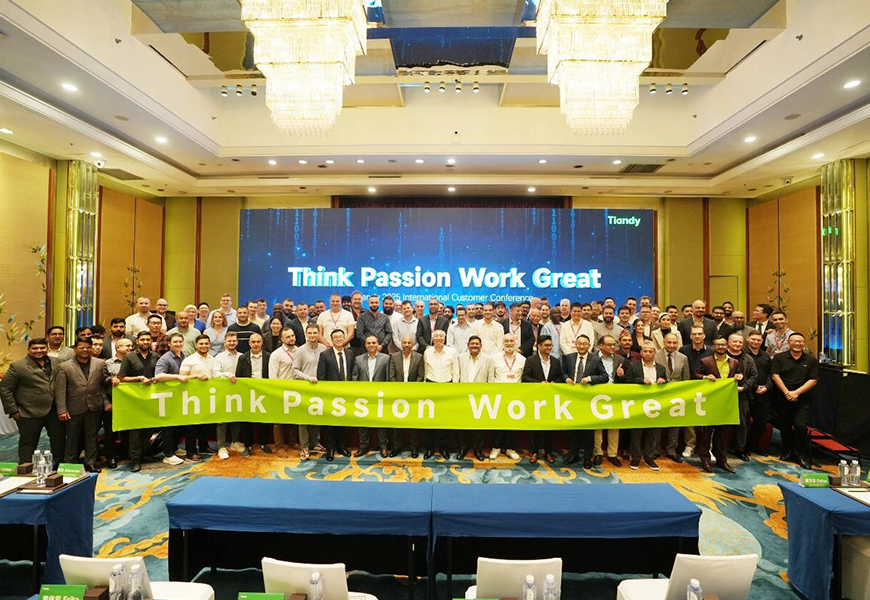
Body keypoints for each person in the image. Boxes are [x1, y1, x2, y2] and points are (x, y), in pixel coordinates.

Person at [0, 338, 65, 467]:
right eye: (35, 348)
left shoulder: (56, 362)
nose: (38, 350)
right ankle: (26, 468)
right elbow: (5, 388)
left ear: (47, 348)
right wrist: (13, 410)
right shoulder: (18, 366)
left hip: (54, 410)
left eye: (42, 348)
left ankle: (59, 467)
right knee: (28, 443)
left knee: (59, 440)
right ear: (28, 350)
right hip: (28, 411)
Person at [55, 337, 109, 472]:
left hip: (94, 406)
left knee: (92, 437)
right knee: (72, 438)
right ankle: (70, 464)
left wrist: (112, 380)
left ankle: (91, 462)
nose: (85, 350)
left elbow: (103, 383)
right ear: (75, 349)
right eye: (81, 347)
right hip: (73, 407)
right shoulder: (64, 366)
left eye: (88, 347)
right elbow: (60, 390)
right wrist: (62, 410)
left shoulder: (100, 363)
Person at [694, 337, 742, 473]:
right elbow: (696, 375)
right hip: (710, 401)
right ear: (713, 347)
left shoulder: (734, 362)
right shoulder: (706, 361)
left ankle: (722, 460)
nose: (721, 347)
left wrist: (739, 376)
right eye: (718, 345)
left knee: (723, 433)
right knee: (706, 432)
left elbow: (738, 373)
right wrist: (705, 377)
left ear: (727, 346)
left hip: (726, 401)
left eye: (723, 344)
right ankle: (705, 459)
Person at [771, 332, 818, 469]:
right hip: (783, 396)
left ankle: (801, 455)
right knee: (784, 425)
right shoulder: (779, 358)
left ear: (804, 344)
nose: (797, 343)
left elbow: (813, 380)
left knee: (800, 425)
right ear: (789, 343)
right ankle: (788, 450)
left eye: (800, 341)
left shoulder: (811, 360)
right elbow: (775, 376)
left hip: (803, 398)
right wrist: (787, 392)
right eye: (794, 341)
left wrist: (796, 393)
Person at [563, 334, 608, 468]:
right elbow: (563, 372)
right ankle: (573, 455)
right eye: (579, 343)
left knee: (588, 432)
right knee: (572, 430)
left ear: (589, 345)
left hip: (588, 400)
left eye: (584, 344)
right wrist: (566, 379)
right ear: (575, 345)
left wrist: (589, 379)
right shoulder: (569, 357)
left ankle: (588, 458)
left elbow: (604, 377)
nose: (582, 346)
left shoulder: (595, 359)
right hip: (572, 399)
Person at [118, 331, 161, 470]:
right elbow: (121, 378)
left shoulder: (155, 356)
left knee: (149, 428)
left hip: (150, 398)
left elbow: (158, 374)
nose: (145, 342)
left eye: (148, 339)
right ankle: (135, 459)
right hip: (134, 399)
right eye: (142, 339)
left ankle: (144, 453)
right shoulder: (129, 357)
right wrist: (139, 378)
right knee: (135, 431)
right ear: (137, 341)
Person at [269, 328, 314, 457]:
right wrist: (275, 391)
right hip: (281, 389)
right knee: (278, 420)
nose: (291, 338)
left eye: (292, 335)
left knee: (295, 417)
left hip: (296, 390)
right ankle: (279, 447)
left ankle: (293, 442)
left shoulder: (300, 351)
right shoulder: (276, 354)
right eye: (288, 337)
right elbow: (272, 375)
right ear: (282, 339)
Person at [623, 340, 667, 471]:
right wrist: (641, 381)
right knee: (636, 433)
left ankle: (649, 458)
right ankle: (636, 458)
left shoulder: (661, 368)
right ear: (641, 352)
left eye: (650, 351)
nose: (648, 353)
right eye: (645, 351)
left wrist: (664, 381)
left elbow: (667, 384)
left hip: (655, 405)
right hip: (637, 404)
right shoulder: (633, 366)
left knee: (652, 433)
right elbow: (627, 382)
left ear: (654, 353)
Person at [522, 335, 563, 464]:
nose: (548, 347)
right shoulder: (531, 360)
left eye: (550, 345)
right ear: (538, 346)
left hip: (551, 399)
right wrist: (540, 384)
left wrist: (554, 383)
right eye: (546, 345)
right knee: (535, 427)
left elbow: (561, 378)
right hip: (536, 399)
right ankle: (534, 452)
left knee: (549, 428)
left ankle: (548, 452)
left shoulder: (556, 361)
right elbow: (525, 378)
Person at [316, 329, 354, 461]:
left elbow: (352, 373)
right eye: (336, 337)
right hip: (330, 395)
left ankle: (341, 446)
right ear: (331, 340)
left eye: (341, 337)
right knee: (331, 424)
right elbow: (321, 376)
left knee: (343, 422)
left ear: (344, 338)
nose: (338, 339)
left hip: (346, 394)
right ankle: (330, 448)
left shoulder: (350, 353)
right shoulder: (325, 355)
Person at [352, 335, 392, 457]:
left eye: (374, 343)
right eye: (368, 343)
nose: (371, 345)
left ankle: (383, 447)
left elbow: (388, 378)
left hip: (380, 397)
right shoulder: (358, 359)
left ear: (378, 344)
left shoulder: (386, 358)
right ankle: (363, 447)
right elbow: (355, 378)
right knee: (363, 422)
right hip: (363, 397)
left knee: (381, 422)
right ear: (365, 345)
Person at [457, 336, 495, 461]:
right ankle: (463, 448)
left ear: (481, 346)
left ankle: (478, 450)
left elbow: (491, 379)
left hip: (481, 397)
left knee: (479, 426)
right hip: (463, 396)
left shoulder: (488, 359)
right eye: (472, 344)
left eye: (477, 344)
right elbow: (457, 375)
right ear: (468, 345)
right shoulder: (460, 358)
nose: (474, 346)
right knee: (463, 425)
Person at [423, 329, 459, 460]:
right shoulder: (427, 352)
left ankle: (444, 448)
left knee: (445, 420)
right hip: (430, 386)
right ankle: (430, 448)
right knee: (429, 420)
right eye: (436, 336)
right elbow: (425, 370)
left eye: (441, 336)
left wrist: (454, 388)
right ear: (432, 339)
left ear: (445, 338)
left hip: (447, 387)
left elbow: (455, 371)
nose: (438, 338)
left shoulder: (452, 352)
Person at [488, 333, 525, 461]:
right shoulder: (495, 358)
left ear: (515, 343)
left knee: (512, 423)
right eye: (506, 341)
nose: (509, 343)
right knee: (497, 422)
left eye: (511, 341)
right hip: (498, 395)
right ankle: (496, 447)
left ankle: (510, 448)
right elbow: (491, 377)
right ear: (502, 343)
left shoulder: (522, 359)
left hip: (515, 397)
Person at [655, 332, 691, 463]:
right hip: (659, 395)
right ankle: (655, 450)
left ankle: (671, 450)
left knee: (674, 425)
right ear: (663, 342)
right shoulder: (655, 355)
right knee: (657, 423)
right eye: (669, 342)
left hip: (677, 396)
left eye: (674, 343)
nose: (671, 345)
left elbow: (686, 379)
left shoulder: (683, 358)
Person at [235, 332, 273, 456]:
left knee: (265, 419)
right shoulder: (243, 358)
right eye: (253, 342)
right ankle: (248, 445)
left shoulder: (269, 356)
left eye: (258, 342)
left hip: (264, 392)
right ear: (249, 343)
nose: (256, 344)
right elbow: (238, 376)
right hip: (248, 392)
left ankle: (264, 443)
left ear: (262, 343)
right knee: (246, 420)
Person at [389, 336, 425, 457]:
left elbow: (420, 376)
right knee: (397, 423)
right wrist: (399, 391)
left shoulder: (419, 357)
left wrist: (411, 390)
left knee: (413, 423)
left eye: (409, 343)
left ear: (413, 344)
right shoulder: (394, 357)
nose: (407, 345)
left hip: (413, 395)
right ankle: (396, 447)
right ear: (401, 344)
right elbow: (391, 376)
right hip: (397, 396)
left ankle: (414, 447)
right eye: (404, 342)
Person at [295, 324, 326, 459]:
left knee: (316, 416)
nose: (313, 336)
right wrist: (308, 378)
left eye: (315, 333)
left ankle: (314, 442)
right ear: (306, 334)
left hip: (319, 388)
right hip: (305, 387)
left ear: (318, 334)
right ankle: (305, 446)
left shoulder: (323, 348)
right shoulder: (300, 350)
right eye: (310, 333)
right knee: (304, 419)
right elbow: (295, 370)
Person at [726, 333, 758, 462]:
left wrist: (744, 387)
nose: (737, 344)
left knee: (742, 423)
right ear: (728, 343)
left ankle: (740, 449)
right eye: (734, 342)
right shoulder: (721, 356)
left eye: (740, 342)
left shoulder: (748, 358)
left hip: (743, 395)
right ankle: (720, 448)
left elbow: (754, 376)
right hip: (723, 395)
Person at [100, 337, 131, 469]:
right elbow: (100, 385)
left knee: (127, 431)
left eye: (131, 346)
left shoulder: (134, 361)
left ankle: (125, 454)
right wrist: (106, 402)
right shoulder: (107, 363)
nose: (130, 348)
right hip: (112, 401)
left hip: (130, 401)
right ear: (118, 348)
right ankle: (110, 456)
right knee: (110, 431)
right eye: (127, 346)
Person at [594, 335, 625, 466]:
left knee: (614, 424)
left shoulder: (620, 359)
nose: (613, 347)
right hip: (597, 393)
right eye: (609, 345)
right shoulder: (593, 358)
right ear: (601, 345)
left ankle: (612, 454)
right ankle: (598, 453)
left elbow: (626, 380)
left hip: (614, 394)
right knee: (597, 424)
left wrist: (621, 376)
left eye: (614, 344)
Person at [215, 332, 242, 459]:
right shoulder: (218, 357)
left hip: (238, 393)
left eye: (234, 341)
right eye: (229, 341)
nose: (232, 343)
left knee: (236, 417)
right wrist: (227, 375)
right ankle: (221, 447)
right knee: (222, 420)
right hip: (223, 392)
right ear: (225, 343)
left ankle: (235, 442)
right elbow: (216, 374)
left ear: (237, 342)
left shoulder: (242, 356)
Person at [745, 330, 773, 455]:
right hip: (748, 392)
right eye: (753, 339)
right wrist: (755, 387)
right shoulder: (743, 354)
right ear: (747, 339)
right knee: (745, 421)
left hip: (764, 393)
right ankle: (743, 447)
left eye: (758, 340)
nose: (756, 342)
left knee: (761, 422)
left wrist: (767, 386)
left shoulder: (765, 356)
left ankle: (755, 445)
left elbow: (770, 373)